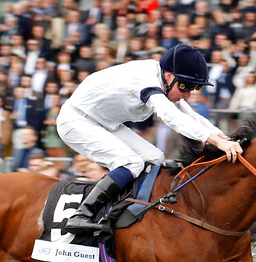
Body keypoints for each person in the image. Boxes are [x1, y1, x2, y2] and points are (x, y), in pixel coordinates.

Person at [56, 44, 242, 233]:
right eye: (185, 86)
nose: (187, 94)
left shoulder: (164, 79)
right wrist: (217, 142)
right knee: (131, 163)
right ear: (169, 76)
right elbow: (171, 117)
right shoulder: (146, 80)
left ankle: (128, 210)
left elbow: (191, 115)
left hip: (105, 123)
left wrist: (223, 137)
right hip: (76, 120)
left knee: (155, 157)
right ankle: (82, 214)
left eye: (194, 88)